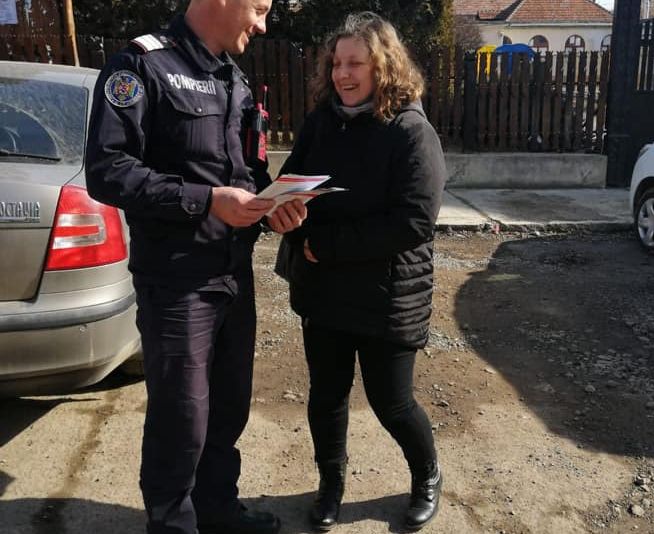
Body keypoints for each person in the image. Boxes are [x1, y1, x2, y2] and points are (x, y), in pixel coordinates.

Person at [85, 1, 306, 533]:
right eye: (259, 9)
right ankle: (172, 524)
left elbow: (247, 170)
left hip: (233, 273)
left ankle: (217, 511)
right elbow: (108, 170)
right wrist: (206, 201)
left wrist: (271, 206)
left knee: (228, 408)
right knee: (181, 419)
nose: (263, 25)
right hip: (177, 282)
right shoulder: (141, 67)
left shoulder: (235, 79)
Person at [276, 11, 446, 532]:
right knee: (326, 398)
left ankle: (427, 476)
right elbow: (291, 183)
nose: (342, 74)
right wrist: (281, 213)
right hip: (324, 291)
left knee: (392, 403)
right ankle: (330, 486)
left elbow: (414, 221)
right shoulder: (321, 122)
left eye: (355, 64)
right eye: (336, 64)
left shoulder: (411, 131)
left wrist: (326, 245)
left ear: (384, 67)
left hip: (387, 294)